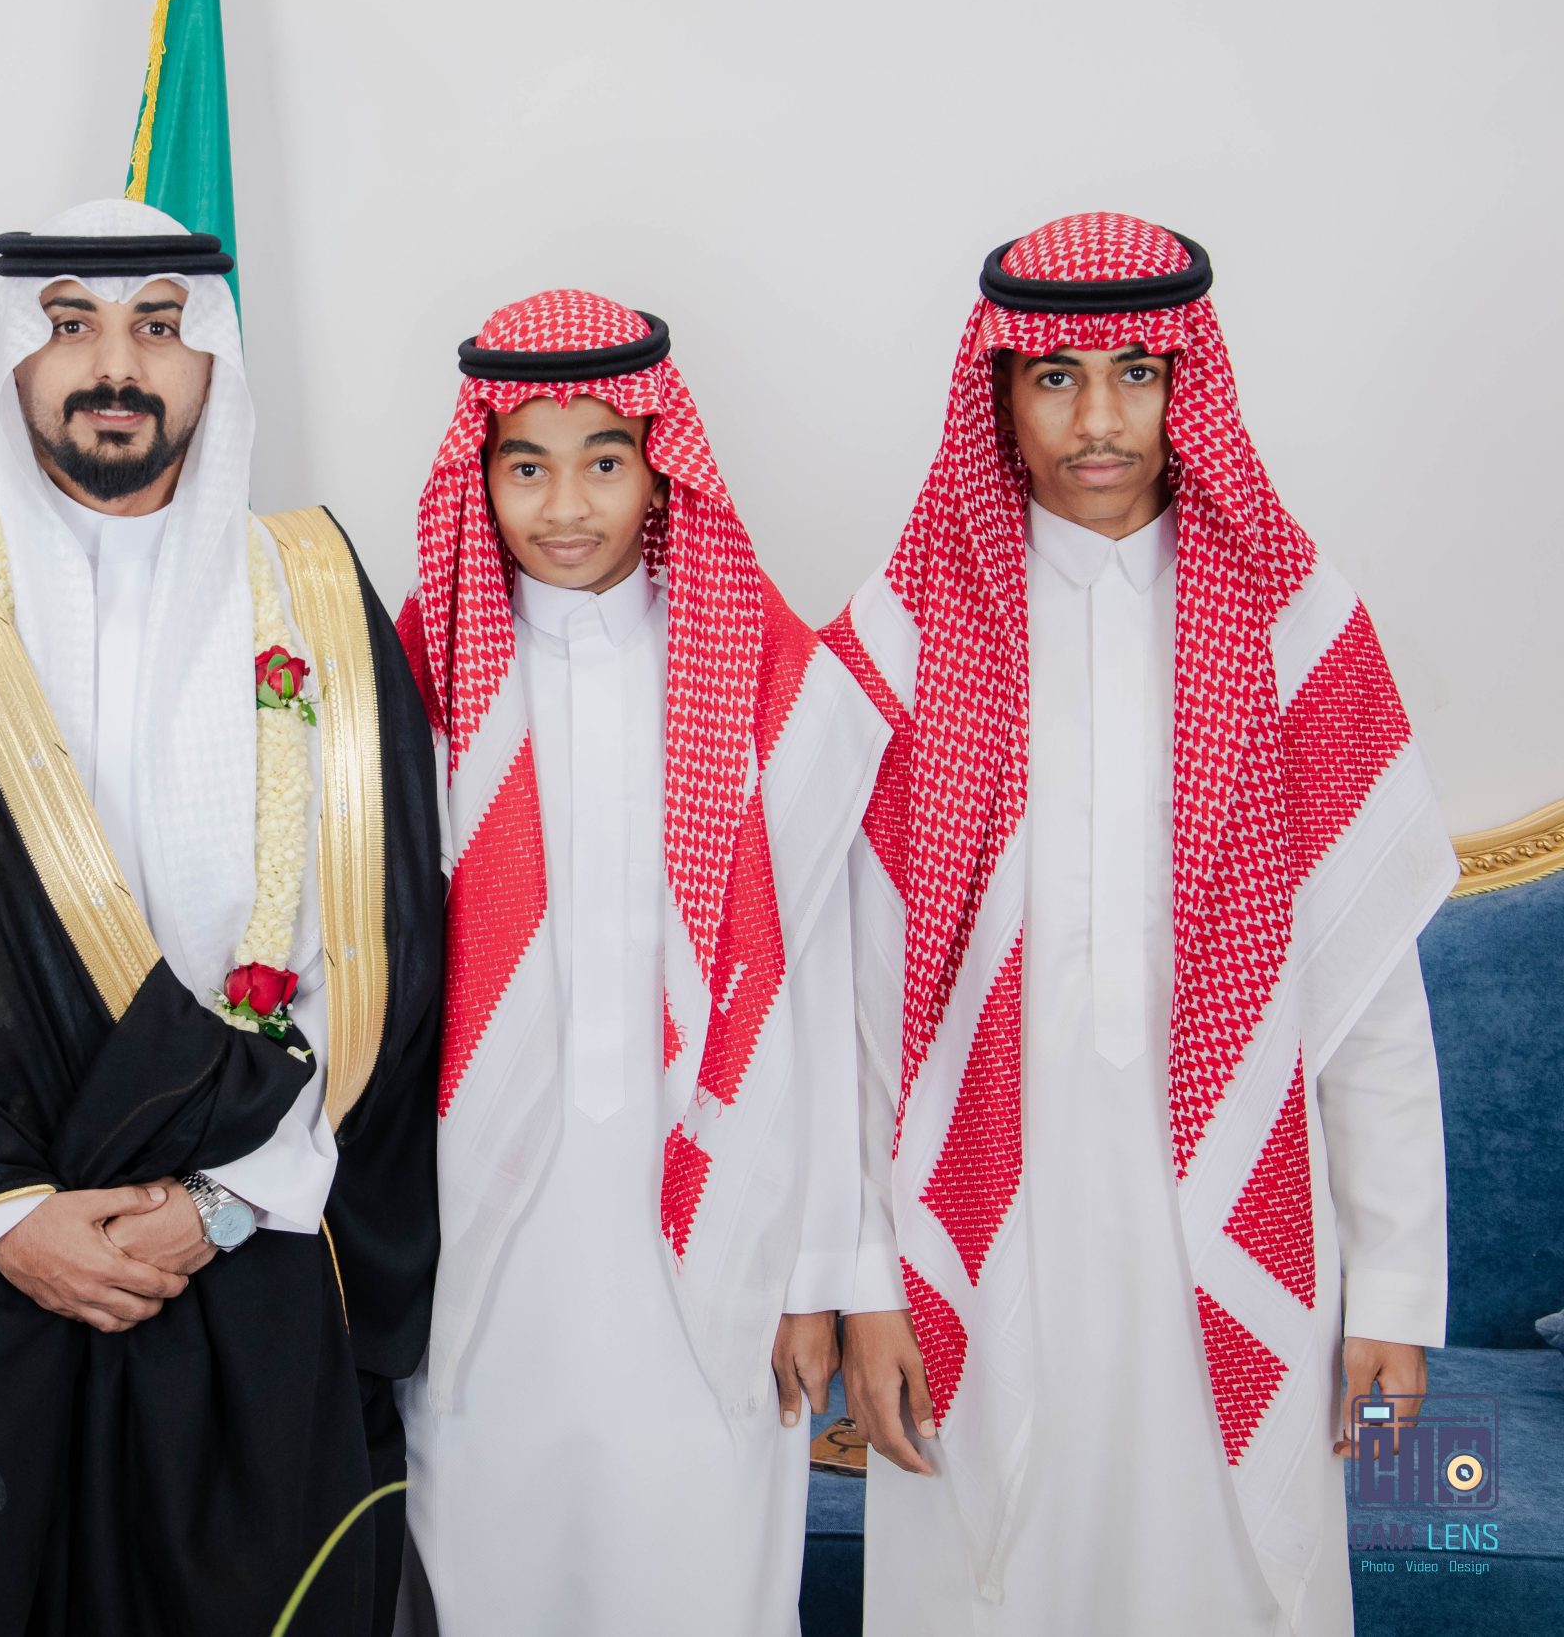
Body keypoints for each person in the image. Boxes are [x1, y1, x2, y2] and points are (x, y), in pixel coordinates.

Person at [0, 198, 444, 1636]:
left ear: (215, 361)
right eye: (70, 324)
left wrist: (220, 1203)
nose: (115, 365)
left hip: (247, 1232)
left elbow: (382, 931)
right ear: (17, 353)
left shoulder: (318, 594)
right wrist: (7, 1220)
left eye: (160, 326)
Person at [824, 213, 1451, 1634]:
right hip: (975, 1225)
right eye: (1055, 378)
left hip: (1235, 1226)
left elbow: (1368, 1006)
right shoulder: (904, 636)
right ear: (999, 390)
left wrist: (1396, 1289)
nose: (1099, 420)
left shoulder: (1295, 628)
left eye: (1136, 374)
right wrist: (864, 1286)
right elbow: (851, 1015)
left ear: (1188, 386)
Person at [391, 290, 886, 1634]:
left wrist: (818, 1277)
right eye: (527, 467)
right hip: (482, 1259)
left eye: (605, 461)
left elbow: (821, 997)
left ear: (662, 469)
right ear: (480, 477)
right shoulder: (416, 677)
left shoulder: (769, 677)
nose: (566, 507)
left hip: (721, 1249)